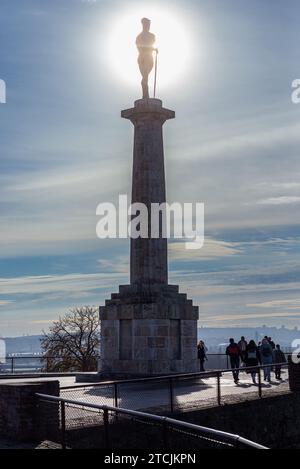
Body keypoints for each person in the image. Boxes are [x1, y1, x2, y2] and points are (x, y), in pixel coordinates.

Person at [136, 18, 157, 99]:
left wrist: (154, 49)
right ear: (143, 24)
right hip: (142, 57)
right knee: (145, 78)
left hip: (149, 57)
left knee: (145, 77)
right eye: (146, 24)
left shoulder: (152, 35)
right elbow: (139, 47)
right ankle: (145, 95)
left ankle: (145, 95)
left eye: (149, 24)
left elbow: (150, 45)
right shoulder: (139, 36)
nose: (148, 26)